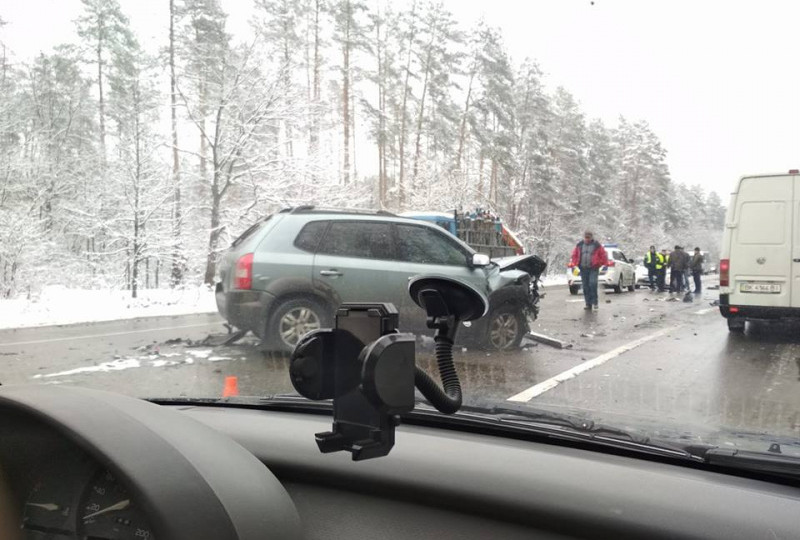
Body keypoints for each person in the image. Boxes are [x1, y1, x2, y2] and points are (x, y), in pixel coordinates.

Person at [570, 230, 609, 311]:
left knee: (593, 284)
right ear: (584, 237)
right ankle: (588, 304)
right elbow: (574, 255)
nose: (587, 239)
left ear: (591, 237)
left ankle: (595, 302)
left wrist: (600, 263)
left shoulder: (597, 245)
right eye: (586, 237)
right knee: (585, 286)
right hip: (583, 268)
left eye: (588, 237)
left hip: (593, 268)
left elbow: (603, 255)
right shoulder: (580, 245)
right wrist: (574, 263)